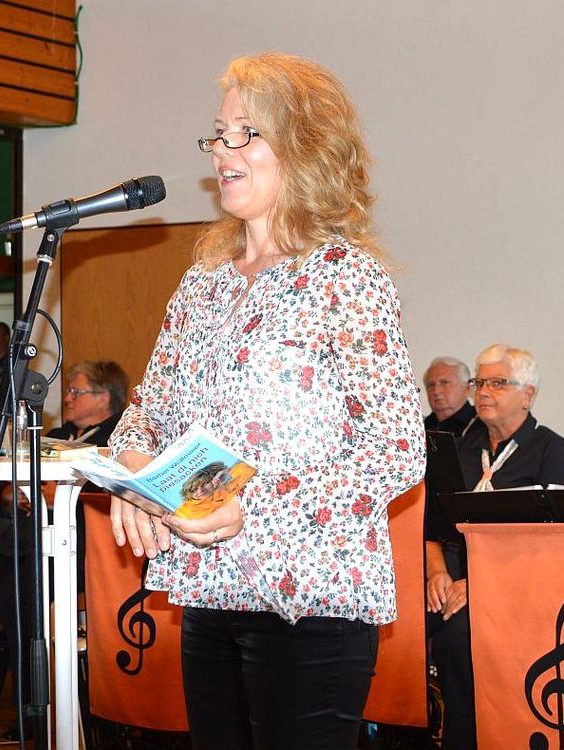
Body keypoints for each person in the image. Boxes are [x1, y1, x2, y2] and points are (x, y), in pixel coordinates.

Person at [107, 52, 426, 749]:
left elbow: (398, 451)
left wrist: (247, 502)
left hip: (310, 594)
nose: (222, 151)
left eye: (245, 133)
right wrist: (135, 475)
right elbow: (146, 410)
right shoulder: (203, 283)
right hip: (207, 587)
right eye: (218, 134)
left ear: (307, 147)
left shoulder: (346, 278)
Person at [427, 343, 564, 750]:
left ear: (527, 395)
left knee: (457, 636)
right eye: (479, 382)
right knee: (399, 623)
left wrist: (481, 585)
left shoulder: (551, 450)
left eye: (497, 383)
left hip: (521, 585)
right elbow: (431, 524)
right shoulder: (463, 448)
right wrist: (436, 571)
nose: (483, 392)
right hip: (455, 579)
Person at [0, 359, 128, 740]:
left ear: (104, 397)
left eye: (76, 391)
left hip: (86, 550)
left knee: (18, 594)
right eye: (69, 390)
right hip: (29, 539)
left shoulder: (119, 438)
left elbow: (115, 494)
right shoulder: (55, 434)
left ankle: (32, 708)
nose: (67, 397)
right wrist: (21, 494)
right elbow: (15, 487)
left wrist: (60, 497)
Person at [422, 356, 475, 435]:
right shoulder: (420, 427)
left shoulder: (482, 424)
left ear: (466, 388)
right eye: (431, 385)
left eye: (444, 383)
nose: (436, 391)